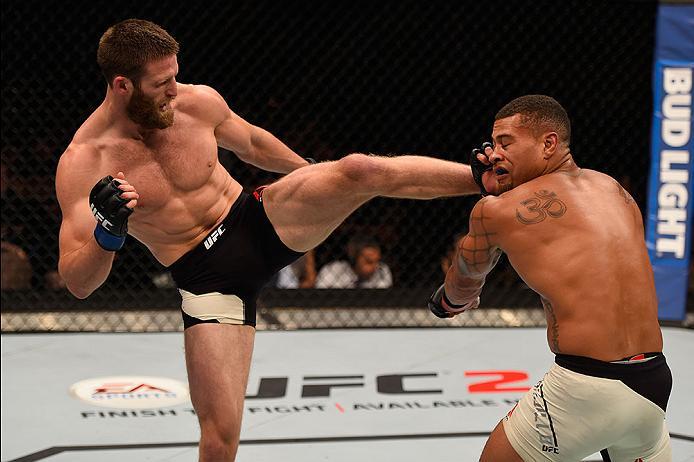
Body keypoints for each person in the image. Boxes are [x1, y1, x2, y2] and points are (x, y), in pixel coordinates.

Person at [55, 19, 485, 461]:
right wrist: (108, 232)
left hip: (255, 221)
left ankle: (486, 177)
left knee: (359, 169)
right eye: (162, 82)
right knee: (220, 438)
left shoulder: (196, 103)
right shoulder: (85, 162)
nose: (174, 89)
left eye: (176, 75)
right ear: (123, 85)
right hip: (206, 278)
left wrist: (313, 174)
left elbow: (253, 144)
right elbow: (78, 282)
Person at [429, 95, 672, 461]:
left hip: (586, 386)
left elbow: (463, 285)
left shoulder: (494, 211)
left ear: (549, 143)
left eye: (506, 143)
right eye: (493, 144)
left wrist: (445, 304)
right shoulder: (612, 188)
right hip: (653, 381)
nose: (494, 154)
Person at [315, 235, 392, 288]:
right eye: (369, 262)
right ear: (354, 259)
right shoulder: (332, 271)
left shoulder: (382, 270)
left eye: (377, 261)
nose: (375, 266)